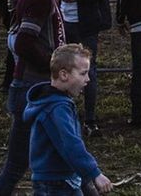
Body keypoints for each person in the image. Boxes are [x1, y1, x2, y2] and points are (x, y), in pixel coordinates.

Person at [0, 0, 72, 196]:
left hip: (36, 89)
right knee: (18, 166)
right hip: (35, 91)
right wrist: (55, 66)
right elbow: (25, 42)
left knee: (69, 156)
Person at [24, 44, 114, 196]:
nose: (88, 79)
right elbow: (70, 144)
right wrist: (94, 173)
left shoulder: (55, 102)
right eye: (83, 73)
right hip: (56, 184)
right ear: (64, 75)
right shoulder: (57, 108)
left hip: (60, 178)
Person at [60, 0, 113, 135]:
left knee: (87, 68)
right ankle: (67, 113)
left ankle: (90, 119)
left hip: (87, 22)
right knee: (64, 66)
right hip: (67, 19)